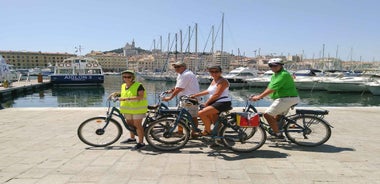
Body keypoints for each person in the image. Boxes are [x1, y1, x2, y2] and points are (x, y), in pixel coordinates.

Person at [249, 58, 300, 140]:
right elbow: (269, 87)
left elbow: (273, 89)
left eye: (275, 65)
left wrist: (259, 97)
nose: (273, 67)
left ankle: (278, 135)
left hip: (287, 99)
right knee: (277, 116)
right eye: (271, 66)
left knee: (267, 115)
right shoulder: (275, 75)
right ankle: (277, 130)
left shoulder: (283, 74)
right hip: (284, 98)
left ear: (281, 65)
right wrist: (260, 95)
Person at [109, 70, 148, 150]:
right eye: (124, 77)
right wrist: (116, 94)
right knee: (130, 125)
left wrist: (125, 99)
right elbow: (125, 93)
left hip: (138, 109)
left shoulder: (139, 85)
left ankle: (141, 143)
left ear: (132, 78)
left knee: (137, 125)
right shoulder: (123, 86)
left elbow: (140, 96)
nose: (126, 78)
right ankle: (132, 139)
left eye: (128, 77)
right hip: (127, 109)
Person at [190, 65, 232, 136]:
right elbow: (208, 91)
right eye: (212, 72)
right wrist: (195, 95)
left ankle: (207, 131)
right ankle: (218, 134)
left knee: (201, 113)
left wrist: (206, 103)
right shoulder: (214, 80)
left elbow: (217, 94)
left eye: (216, 71)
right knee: (214, 120)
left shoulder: (223, 81)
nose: (214, 73)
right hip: (215, 102)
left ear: (220, 72)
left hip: (223, 102)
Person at [162, 61, 200, 137]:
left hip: (190, 99)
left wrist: (170, 98)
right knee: (180, 115)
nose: (176, 68)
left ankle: (194, 132)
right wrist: (171, 90)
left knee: (193, 116)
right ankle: (180, 132)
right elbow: (178, 87)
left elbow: (179, 88)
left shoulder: (186, 74)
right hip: (184, 98)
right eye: (175, 67)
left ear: (184, 67)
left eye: (178, 67)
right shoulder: (181, 74)